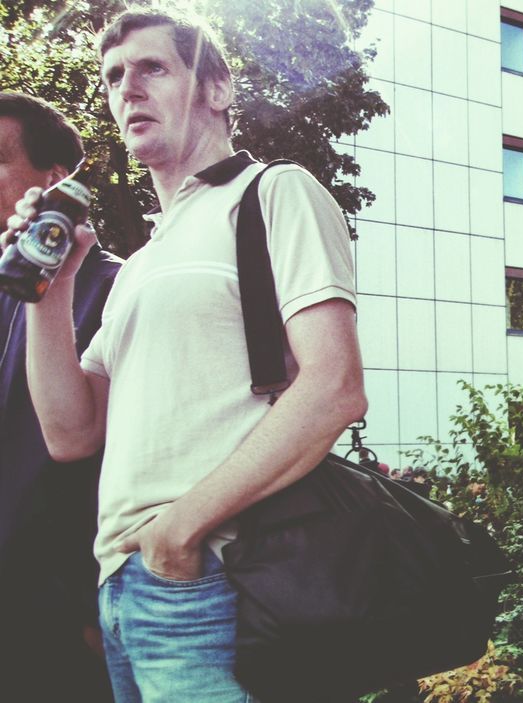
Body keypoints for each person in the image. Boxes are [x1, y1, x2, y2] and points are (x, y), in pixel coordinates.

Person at [8, 9, 365, 701]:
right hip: (122, 588)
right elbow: (70, 431)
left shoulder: (271, 192)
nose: (128, 88)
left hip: (207, 577)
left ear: (217, 89)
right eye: (114, 77)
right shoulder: (140, 264)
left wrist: (179, 531)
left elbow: (335, 388)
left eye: (152, 69)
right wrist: (47, 290)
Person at [0, 92, 119, 701]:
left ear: (52, 183)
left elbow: (114, 461)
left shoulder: (120, 290)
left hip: (60, 625)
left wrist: (89, 604)